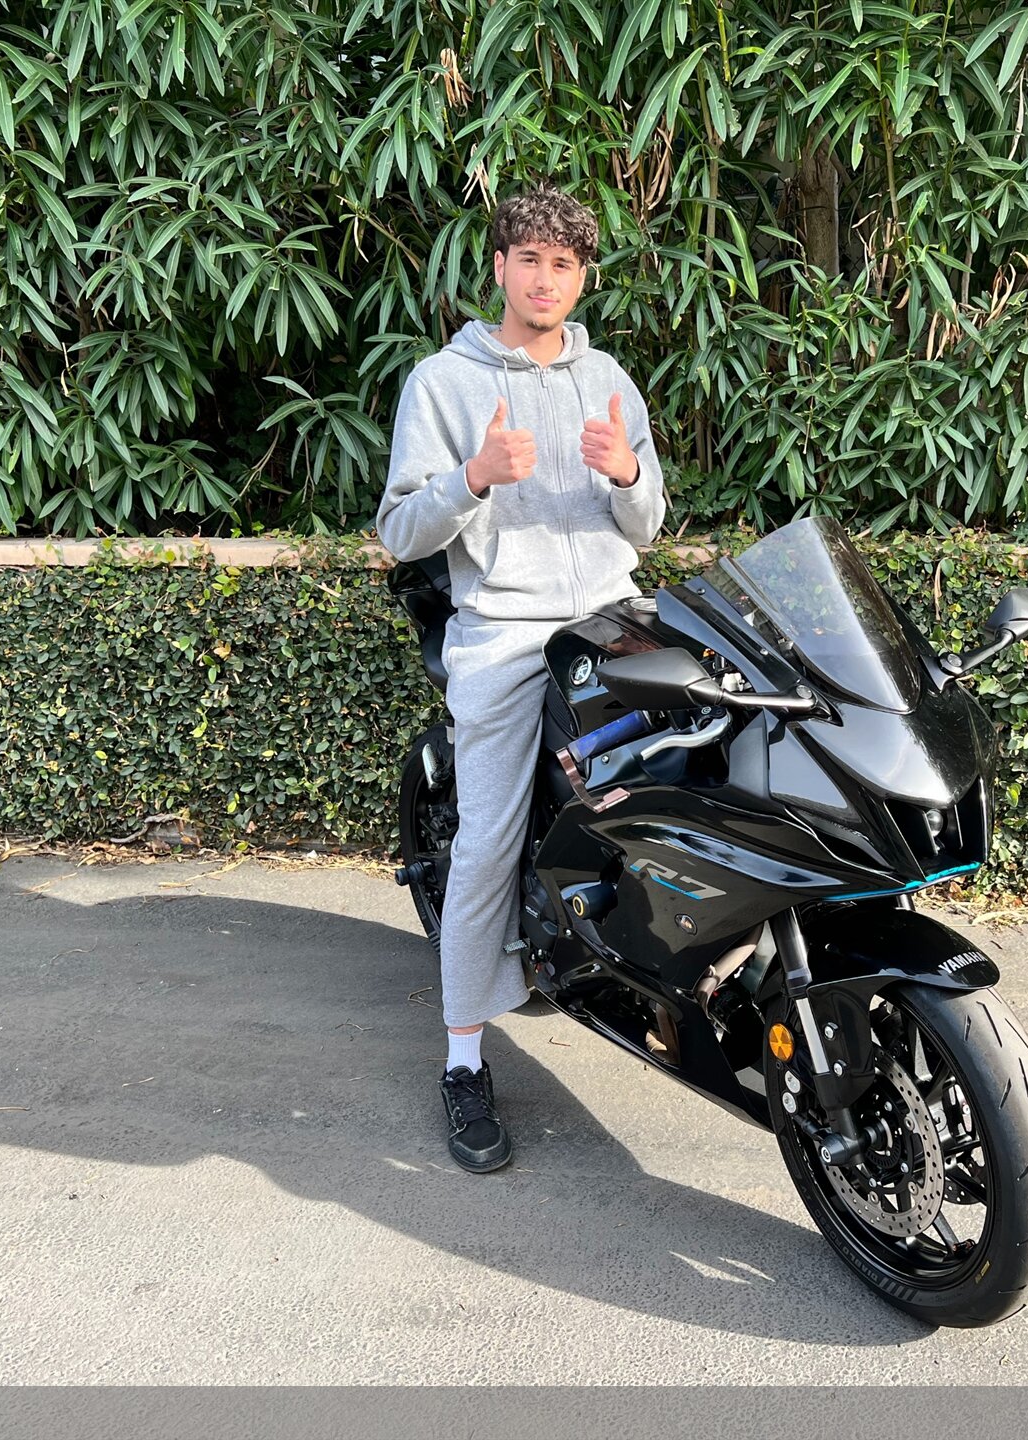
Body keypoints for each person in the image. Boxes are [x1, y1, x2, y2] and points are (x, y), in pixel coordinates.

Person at [374, 185, 666, 1172]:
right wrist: (474, 477)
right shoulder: (444, 382)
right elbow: (399, 529)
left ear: (582, 278)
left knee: (687, 782)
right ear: (500, 267)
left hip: (612, 619)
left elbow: (647, 526)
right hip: (503, 630)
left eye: (564, 264)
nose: (546, 279)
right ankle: (463, 1059)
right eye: (530, 259)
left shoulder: (608, 378)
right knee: (489, 839)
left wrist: (628, 474)